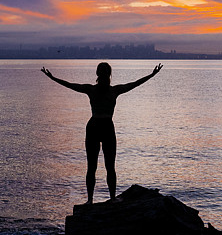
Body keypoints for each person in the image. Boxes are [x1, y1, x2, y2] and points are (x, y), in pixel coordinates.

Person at [41, 62, 163, 204]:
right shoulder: (105, 90)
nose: (104, 74)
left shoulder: (104, 90)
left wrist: (152, 74)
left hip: (100, 127)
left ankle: (102, 199)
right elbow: (70, 85)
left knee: (104, 166)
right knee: (99, 166)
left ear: (99, 74)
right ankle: (97, 199)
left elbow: (134, 84)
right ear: (103, 74)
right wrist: (52, 78)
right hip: (100, 127)